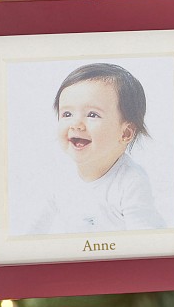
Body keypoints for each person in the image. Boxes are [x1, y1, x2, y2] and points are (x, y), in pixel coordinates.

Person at [28, 63, 165, 234]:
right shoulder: (58, 178)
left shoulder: (130, 182)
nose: (76, 124)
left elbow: (146, 239)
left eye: (92, 115)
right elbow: (34, 228)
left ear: (126, 133)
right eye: (67, 114)